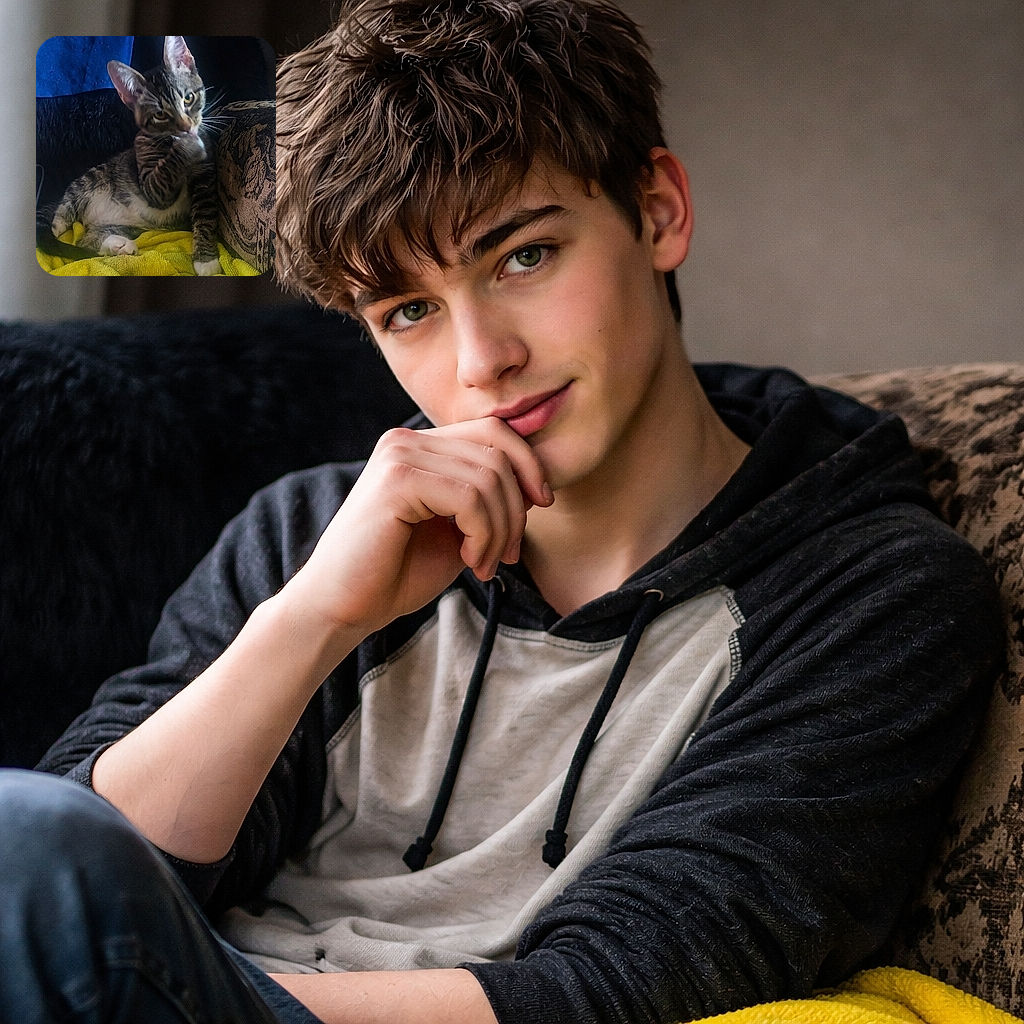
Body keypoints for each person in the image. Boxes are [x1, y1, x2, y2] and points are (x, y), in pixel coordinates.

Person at [2, 1, 1003, 1022]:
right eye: (409, 311)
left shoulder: (870, 591)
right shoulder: (309, 531)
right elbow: (88, 867)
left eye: (522, 256)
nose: (482, 363)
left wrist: (189, 997)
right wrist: (310, 622)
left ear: (656, 211)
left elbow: (626, 984)